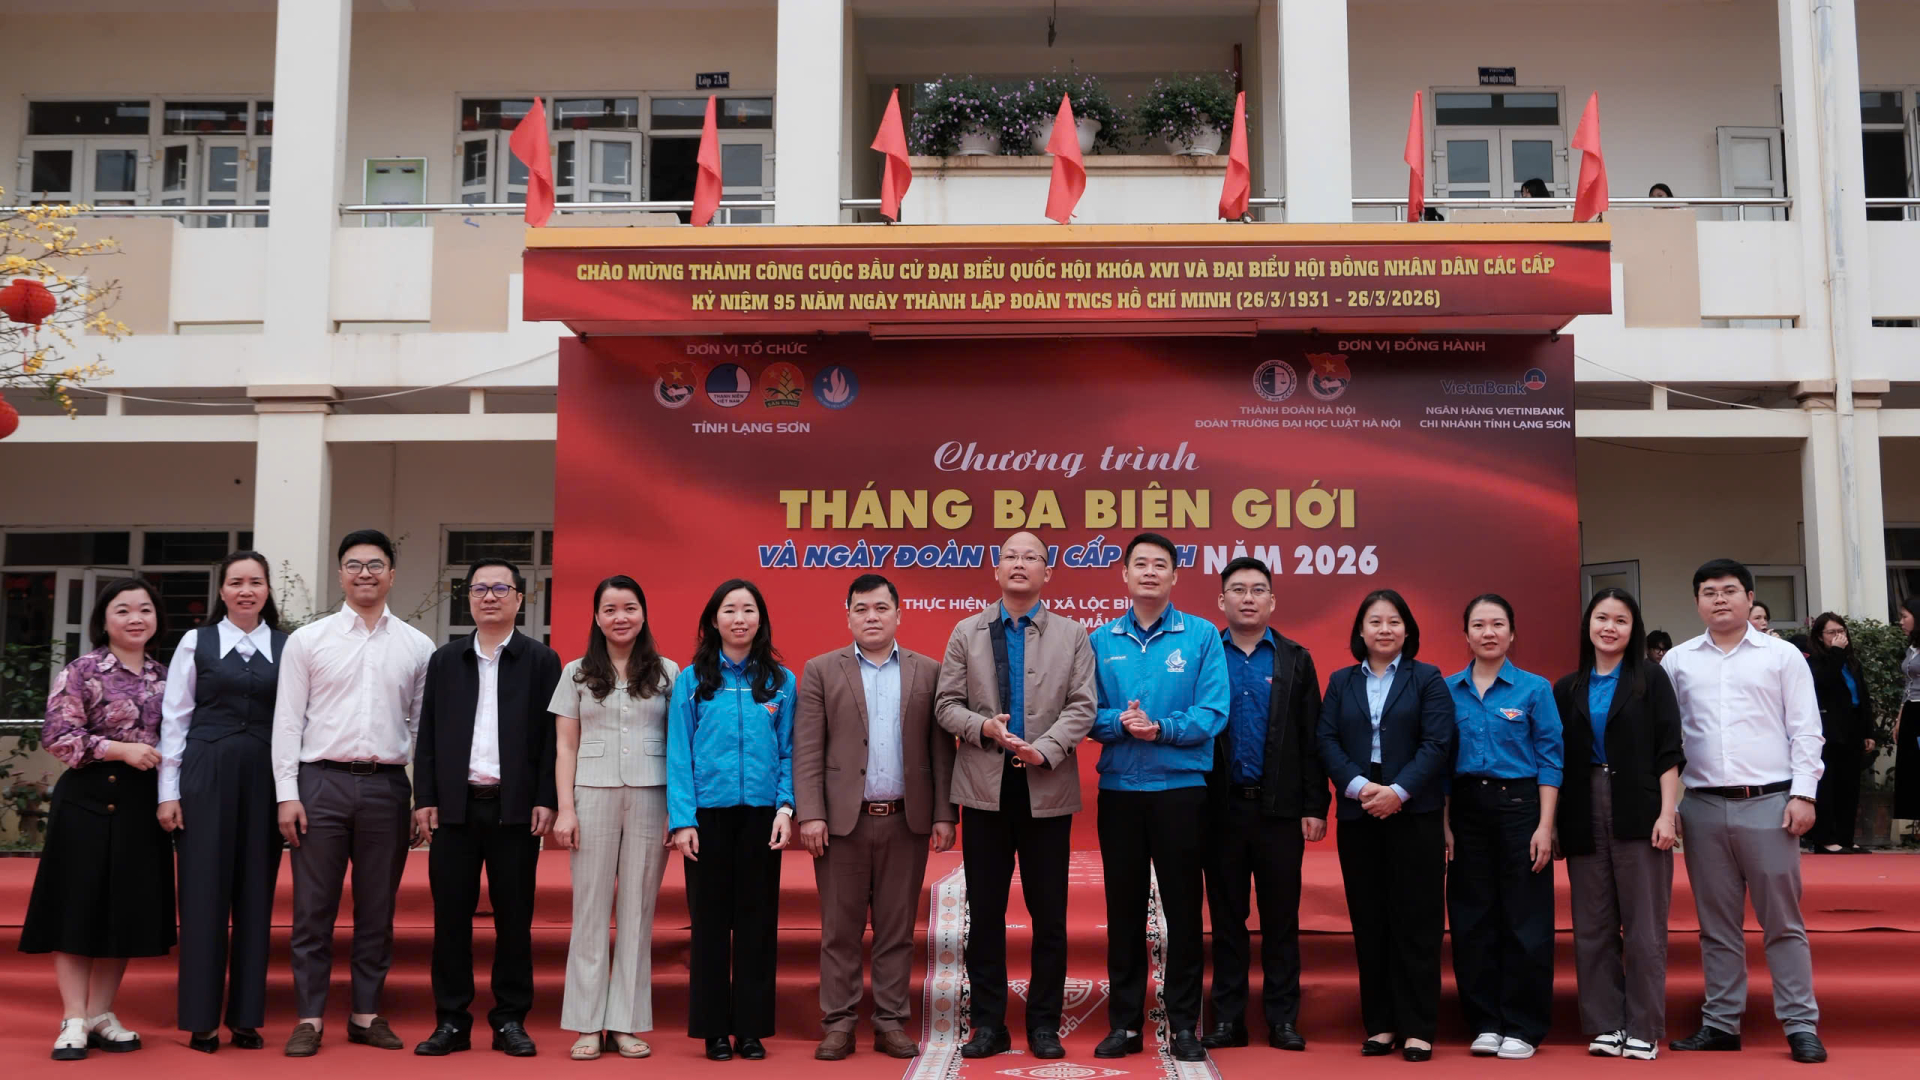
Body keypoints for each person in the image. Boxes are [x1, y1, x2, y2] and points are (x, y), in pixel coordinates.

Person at [271, 529, 435, 1057]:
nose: (365, 573)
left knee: (376, 908)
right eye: (354, 564)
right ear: (340, 574)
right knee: (313, 909)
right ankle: (309, 1017)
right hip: (319, 783)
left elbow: (421, 728)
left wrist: (417, 795)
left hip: (386, 787)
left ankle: (366, 1014)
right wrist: (286, 794)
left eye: (376, 564)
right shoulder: (308, 641)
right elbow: (287, 723)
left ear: (391, 574)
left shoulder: (417, 646)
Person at [935, 531, 1096, 1061]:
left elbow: (1082, 706)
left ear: (1048, 573)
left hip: (1045, 789)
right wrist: (986, 728)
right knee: (984, 913)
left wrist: (1043, 750)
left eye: (1033, 557)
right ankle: (988, 1025)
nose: (1020, 564)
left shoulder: (1073, 634)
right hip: (984, 793)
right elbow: (946, 705)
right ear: (995, 569)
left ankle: (1044, 1025)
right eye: (1011, 556)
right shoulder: (967, 631)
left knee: (1049, 914)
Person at [1662, 558, 1826, 1063]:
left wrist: (1804, 793)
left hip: (1770, 804)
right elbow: (1666, 739)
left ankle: (1800, 1025)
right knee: (1716, 925)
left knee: (1783, 922)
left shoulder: (1783, 657)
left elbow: (1805, 729)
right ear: (1697, 603)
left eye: (1730, 590)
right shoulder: (1678, 662)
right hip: (1704, 807)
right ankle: (1721, 1023)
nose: (1719, 599)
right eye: (1708, 591)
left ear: (1750, 597)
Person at [794, 574, 958, 1061]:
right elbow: (807, 749)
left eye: (881, 608)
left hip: (906, 820)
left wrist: (945, 814)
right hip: (842, 823)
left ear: (899, 614)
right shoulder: (822, 670)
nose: (872, 617)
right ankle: (839, 1023)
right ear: (847, 615)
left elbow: (940, 751)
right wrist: (811, 814)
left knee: (895, 928)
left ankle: (890, 1022)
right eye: (861, 608)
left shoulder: (928, 672)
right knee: (839, 930)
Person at [1088, 532, 1229, 1064]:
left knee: (1184, 914)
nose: (1149, 572)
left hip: (1181, 793)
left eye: (1160, 565)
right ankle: (1124, 1026)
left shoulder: (1200, 637)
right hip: (1120, 794)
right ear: (1124, 576)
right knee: (1122, 912)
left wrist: (1161, 730)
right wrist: (1120, 723)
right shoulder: (1101, 640)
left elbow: (1214, 712)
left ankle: (1184, 1027)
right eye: (1139, 564)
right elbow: (1085, 712)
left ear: (1174, 577)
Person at [412, 558, 562, 1057]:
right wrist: (425, 798)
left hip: (515, 811)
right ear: (469, 599)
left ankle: (509, 1020)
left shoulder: (542, 661)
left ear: (521, 599)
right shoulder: (445, 660)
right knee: (450, 919)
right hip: (455, 809)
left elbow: (551, 739)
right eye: (480, 588)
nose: (490, 596)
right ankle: (452, 1021)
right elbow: (427, 736)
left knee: (514, 919)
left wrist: (547, 798)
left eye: (502, 588)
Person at [21, 577, 173, 1062]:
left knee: (122, 911)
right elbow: (57, 735)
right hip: (86, 801)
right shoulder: (82, 669)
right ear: (104, 619)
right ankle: (73, 1016)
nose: (135, 619)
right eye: (124, 610)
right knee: (77, 906)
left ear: (156, 619)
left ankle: (103, 1013)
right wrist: (120, 750)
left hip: (140, 807)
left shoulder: (166, 675)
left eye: (145, 610)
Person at [1317, 589, 1454, 1062]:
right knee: (1370, 920)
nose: (1384, 629)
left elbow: (1438, 744)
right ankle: (1380, 1024)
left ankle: (1418, 1027)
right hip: (1360, 811)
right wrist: (1359, 788)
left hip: (1413, 811)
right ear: (1360, 631)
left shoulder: (1428, 678)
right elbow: (1326, 739)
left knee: (1417, 921)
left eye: (1394, 621)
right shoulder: (1340, 682)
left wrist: (1397, 792)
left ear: (1408, 630)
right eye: (1375, 621)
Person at [158, 552, 286, 1053]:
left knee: (256, 895)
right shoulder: (197, 641)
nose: (246, 590)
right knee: (204, 894)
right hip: (205, 774)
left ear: (268, 590)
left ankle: (247, 1018)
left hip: (264, 777)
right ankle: (201, 1020)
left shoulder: (286, 646)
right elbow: (175, 719)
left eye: (256, 582)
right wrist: (168, 794)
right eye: (236, 582)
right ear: (222, 591)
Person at [1200, 557, 1327, 1053]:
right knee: (1227, 920)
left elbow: (1313, 737)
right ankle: (1228, 1020)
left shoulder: (1296, 658)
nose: (1247, 598)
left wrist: (1316, 805)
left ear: (1272, 601)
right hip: (1220, 810)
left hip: (1279, 812)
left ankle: (1282, 1019)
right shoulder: (1206, 653)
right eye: (1237, 590)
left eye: (1257, 590)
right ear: (1221, 600)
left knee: (1281, 920)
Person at [549, 575, 679, 1060]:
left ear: (643, 613)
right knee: (589, 911)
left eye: (629, 607)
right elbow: (565, 744)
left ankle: (624, 1022)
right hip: (592, 795)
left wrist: (678, 812)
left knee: (637, 913)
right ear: (596, 617)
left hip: (651, 796)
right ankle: (586, 1023)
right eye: (609, 609)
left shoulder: (668, 672)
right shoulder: (577, 672)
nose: (620, 617)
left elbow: (681, 745)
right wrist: (565, 810)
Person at [667, 579, 796, 1061]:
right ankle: (713, 1030)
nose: (739, 618)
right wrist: (683, 820)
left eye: (748, 610)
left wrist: (786, 808)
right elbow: (678, 753)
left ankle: (752, 1029)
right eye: (729, 610)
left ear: (760, 620)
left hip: (761, 817)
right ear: (713, 620)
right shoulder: (691, 680)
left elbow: (788, 752)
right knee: (710, 924)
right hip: (707, 819)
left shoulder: (781, 681)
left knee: (758, 925)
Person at [1553, 588, 1684, 1061]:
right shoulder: (1567, 687)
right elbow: (1556, 758)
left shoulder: (1651, 678)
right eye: (1602, 618)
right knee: (1592, 924)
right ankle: (1606, 1024)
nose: (1610, 627)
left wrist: (1668, 813)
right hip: (1582, 807)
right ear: (1588, 624)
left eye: (1621, 620)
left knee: (1645, 925)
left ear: (1634, 629)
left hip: (1639, 806)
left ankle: (1644, 1028)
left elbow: (1669, 750)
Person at [1446, 594, 1563, 1060]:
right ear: (1467, 634)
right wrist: (1446, 825)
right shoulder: (1447, 689)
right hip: (1466, 811)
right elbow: (1440, 763)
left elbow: (1552, 761)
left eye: (1498, 624)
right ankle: (1485, 1021)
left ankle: (1523, 1024)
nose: (1488, 632)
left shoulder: (1535, 689)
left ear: (1512, 634)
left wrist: (1545, 826)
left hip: (1520, 809)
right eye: (1479, 624)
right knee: (1473, 919)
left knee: (1525, 920)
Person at [1806, 613, 1875, 854]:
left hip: (1852, 728)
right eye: (1832, 632)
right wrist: (1835, 652)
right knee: (1828, 785)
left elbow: (1862, 697)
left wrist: (1869, 731)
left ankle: (1846, 837)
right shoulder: (1815, 661)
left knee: (1850, 785)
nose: (1838, 637)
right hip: (1828, 730)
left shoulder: (1851, 661)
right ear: (1819, 636)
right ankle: (1825, 839)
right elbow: (1822, 682)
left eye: (1841, 631)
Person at [1895, 597, 1920, 823]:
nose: (1901, 621)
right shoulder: (1912, 647)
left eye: (1904, 616)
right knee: (1912, 769)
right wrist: (1900, 718)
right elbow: (1908, 686)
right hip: (1912, 712)